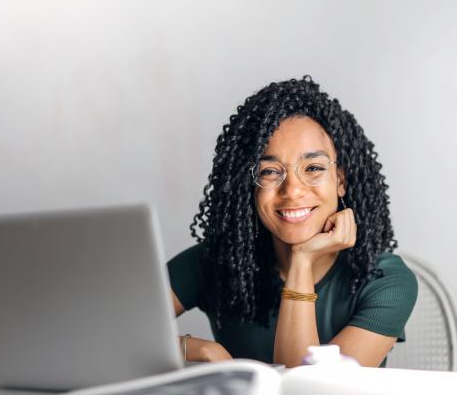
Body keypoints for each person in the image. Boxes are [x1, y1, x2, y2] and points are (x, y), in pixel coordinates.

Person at [167, 76, 418, 368]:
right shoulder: (215, 262)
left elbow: (308, 390)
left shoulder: (386, 281)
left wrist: (302, 259)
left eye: (313, 168)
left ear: (341, 180)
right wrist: (199, 349)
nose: (293, 191)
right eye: (270, 172)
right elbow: (108, 331)